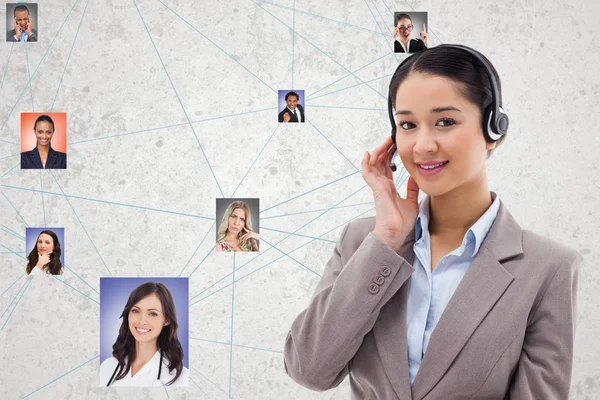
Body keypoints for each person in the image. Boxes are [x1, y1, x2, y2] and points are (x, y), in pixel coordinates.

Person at [284, 45, 582, 399]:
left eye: (445, 121)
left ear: (493, 129)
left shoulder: (548, 267)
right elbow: (309, 371)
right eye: (408, 124)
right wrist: (387, 240)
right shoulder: (363, 241)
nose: (423, 145)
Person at [100, 282, 189, 387]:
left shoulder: (182, 378)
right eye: (135, 311)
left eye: (152, 313)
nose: (142, 321)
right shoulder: (108, 366)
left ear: (167, 320)